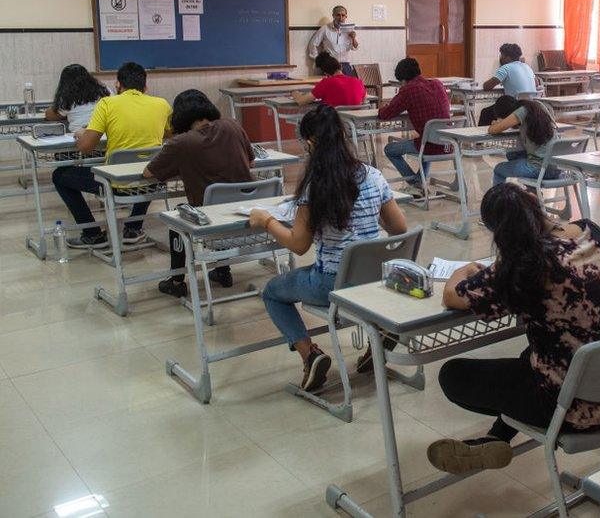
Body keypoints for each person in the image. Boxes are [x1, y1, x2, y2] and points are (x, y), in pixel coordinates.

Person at [426, 183, 600, 475]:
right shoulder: (593, 233)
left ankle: (499, 437)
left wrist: (461, 272)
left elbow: (452, 296)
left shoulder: (526, 267)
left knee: (453, 375)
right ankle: (496, 438)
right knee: (534, 355)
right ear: (535, 203)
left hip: (576, 411)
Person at [250, 104, 408, 392]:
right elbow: (399, 228)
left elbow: (298, 245)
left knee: (273, 292)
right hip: (376, 277)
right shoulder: (373, 175)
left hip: (333, 283)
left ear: (310, 142)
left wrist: (267, 220)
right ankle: (377, 340)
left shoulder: (316, 186)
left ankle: (310, 354)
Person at [144, 90, 255, 298]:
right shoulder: (233, 126)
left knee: (176, 218)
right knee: (221, 204)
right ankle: (223, 270)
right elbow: (250, 162)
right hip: (250, 219)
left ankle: (177, 281)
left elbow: (149, 173)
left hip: (211, 226)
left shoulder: (182, 143)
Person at [53, 62, 171, 249]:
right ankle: (133, 228)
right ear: (145, 86)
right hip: (152, 182)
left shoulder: (107, 103)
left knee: (59, 175)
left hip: (115, 185)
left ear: (117, 85)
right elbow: (171, 134)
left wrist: (84, 133)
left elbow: (85, 148)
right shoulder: (162, 104)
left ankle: (92, 234)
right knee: (148, 170)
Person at [378, 57, 452, 190]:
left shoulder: (408, 89)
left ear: (403, 80)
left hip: (430, 147)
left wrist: (383, 106)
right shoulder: (437, 83)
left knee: (389, 149)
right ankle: (419, 180)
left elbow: (385, 114)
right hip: (450, 144)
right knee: (424, 138)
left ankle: (415, 183)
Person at [488, 96, 561, 187]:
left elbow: (493, 130)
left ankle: (498, 199)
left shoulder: (521, 111)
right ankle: (532, 191)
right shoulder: (537, 107)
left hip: (539, 169)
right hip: (557, 168)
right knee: (512, 154)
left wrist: (496, 123)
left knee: (499, 170)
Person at [478, 43, 537, 125]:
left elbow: (487, 86)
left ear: (508, 57)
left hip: (514, 107)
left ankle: (485, 137)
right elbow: (536, 84)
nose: (500, 58)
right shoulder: (527, 67)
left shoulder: (505, 68)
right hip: (531, 106)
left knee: (485, 113)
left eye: (502, 55)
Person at [44, 64, 110, 133]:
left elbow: (50, 116)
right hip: (105, 133)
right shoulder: (104, 90)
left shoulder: (67, 96)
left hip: (80, 135)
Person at [291, 52, 366, 107]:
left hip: (332, 124)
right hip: (353, 125)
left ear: (325, 73)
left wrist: (295, 93)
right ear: (341, 67)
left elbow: (301, 101)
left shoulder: (326, 82)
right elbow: (363, 101)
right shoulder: (358, 81)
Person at [307, 5, 359, 76]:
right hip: (330, 66)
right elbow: (313, 44)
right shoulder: (325, 29)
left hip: (345, 66)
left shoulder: (349, 30)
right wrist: (318, 60)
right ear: (333, 15)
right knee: (331, 86)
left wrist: (353, 38)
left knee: (346, 87)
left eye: (343, 15)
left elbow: (355, 48)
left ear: (346, 16)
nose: (341, 18)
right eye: (338, 15)